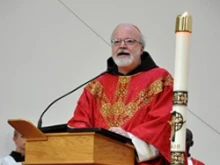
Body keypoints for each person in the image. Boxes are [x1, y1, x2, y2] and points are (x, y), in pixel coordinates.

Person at [67, 23, 173, 165]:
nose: (122, 45)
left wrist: (128, 138)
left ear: (141, 48)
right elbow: (79, 122)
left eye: (129, 41)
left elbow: (163, 124)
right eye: (117, 42)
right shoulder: (96, 85)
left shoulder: (160, 79)